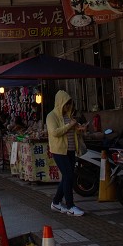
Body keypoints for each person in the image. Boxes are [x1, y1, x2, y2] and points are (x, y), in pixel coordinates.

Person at [46, 89, 86, 217]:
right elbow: (55, 132)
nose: (68, 107)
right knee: (69, 176)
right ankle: (70, 206)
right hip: (59, 151)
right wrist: (70, 125)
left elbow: (72, 132)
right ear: (60, 103)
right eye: (66, 104)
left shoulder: (69, 116)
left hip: (70, 150)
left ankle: (56, 202)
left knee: (67, 176)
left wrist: (79, 129)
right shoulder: (51, 116)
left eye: (69, 104)